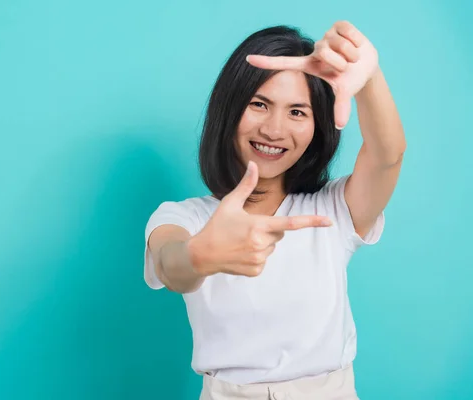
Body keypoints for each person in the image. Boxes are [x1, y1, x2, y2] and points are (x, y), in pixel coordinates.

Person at [143, 20, 405, 400]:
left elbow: (387, 156)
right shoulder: (185, 217)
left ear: (318, 127)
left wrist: (369, 76)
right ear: (229, 110)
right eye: (259, 104)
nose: (274, 129)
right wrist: (199, 255)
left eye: (297, 112)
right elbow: (171, 265)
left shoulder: (333, 209)